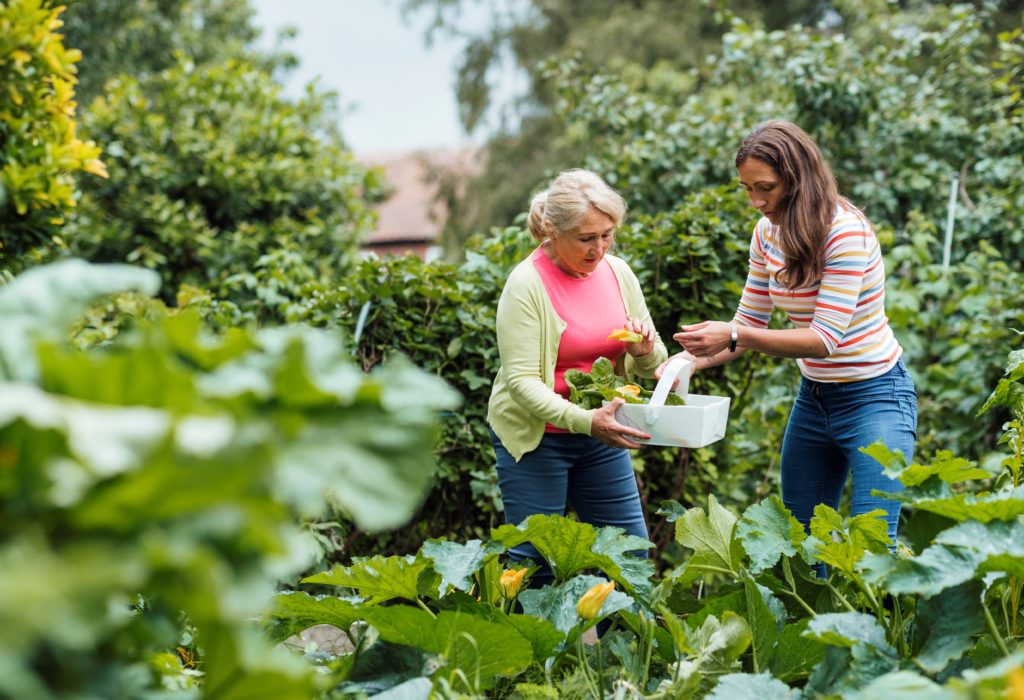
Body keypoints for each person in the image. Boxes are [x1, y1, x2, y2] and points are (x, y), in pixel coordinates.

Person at [663, 120, 917, 553]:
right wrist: (687, 362)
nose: (756, 202)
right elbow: (748, 325)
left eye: (766, 188)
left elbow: (823, 339)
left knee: (874, 546)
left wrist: (735, 333)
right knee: (799, 546)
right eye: (747, 189)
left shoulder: (844, 232)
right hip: (815, 402)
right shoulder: (767, 235)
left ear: (798, 179)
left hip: (876, 398)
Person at [487, 168, 668, 587]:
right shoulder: (526, 285)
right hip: (539, 437)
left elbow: (652, 359)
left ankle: (622, 651)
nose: (599, 248)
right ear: (552, 230)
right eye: (587, 238)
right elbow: (522, 382)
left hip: (601, 434)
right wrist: (586, 421)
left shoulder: (619, 274)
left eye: (607, 235)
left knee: (629, 555)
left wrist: (644, 353)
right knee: (533, 563)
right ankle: (536, 653)